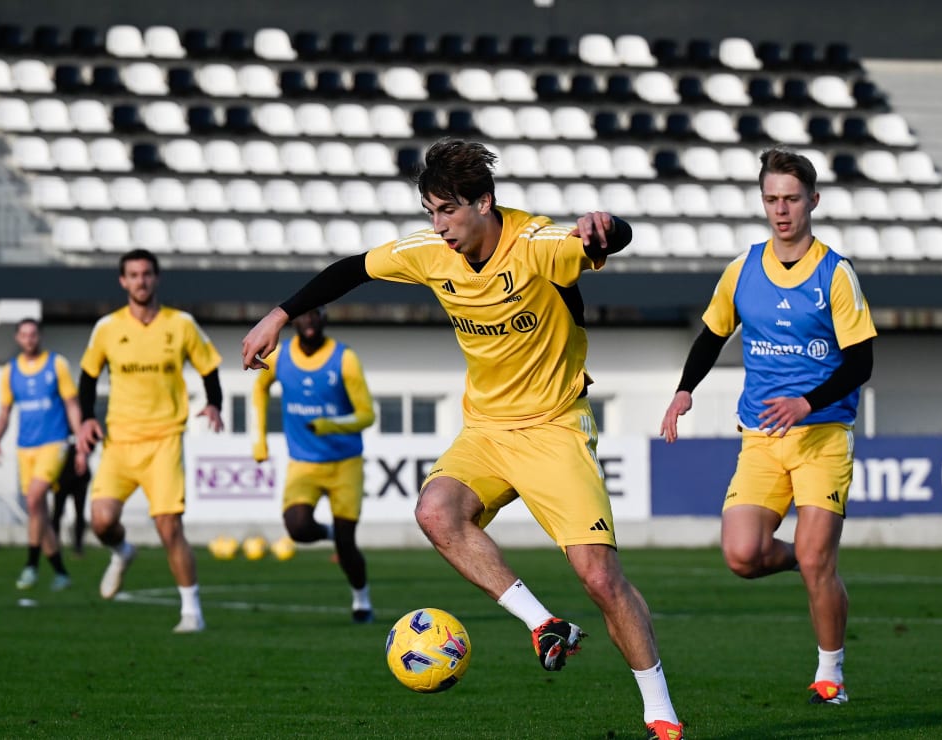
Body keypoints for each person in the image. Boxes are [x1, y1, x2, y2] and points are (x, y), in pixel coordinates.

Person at [242, 139, 682, 740]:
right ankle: (542, 623)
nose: (438, 225)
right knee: (435, 512)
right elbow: (352, 269)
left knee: (602, 580)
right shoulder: (430, 253)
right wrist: (279, 315)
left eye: (448, 210)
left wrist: (607, 227)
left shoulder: (535, 245)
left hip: (554, 427)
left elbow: (600, 241)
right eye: (430, 211)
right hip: (485, 430)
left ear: (484, 202)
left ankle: (661, 712)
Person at [659, 148, 876, 707]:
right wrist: (685, 390)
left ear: (813, 202)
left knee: (817, 558)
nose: (782, 210)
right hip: (760, 438)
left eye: (792, 199)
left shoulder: (834, 272)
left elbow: (861, 363)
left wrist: (807, 403)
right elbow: (712, 335)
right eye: (772, 199)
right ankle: (810, 560)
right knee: (741, 555)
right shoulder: (743, 268)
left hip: (823, 437)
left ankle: (831, 676)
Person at [75, 248, 225, 633]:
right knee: (102, 521)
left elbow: (208, 366)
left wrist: (215, 405)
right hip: (119, 441)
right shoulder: (107, 328)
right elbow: (89, 376)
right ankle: (122, 552)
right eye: (133, 275)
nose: (140, 281)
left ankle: (191, 611)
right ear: (123, 282)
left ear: (156, 279)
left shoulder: (181, 324)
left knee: (169, 527)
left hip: (164, 440)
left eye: (146, 274)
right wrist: (87, 419)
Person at [251, 305, 377, 623]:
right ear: (294, 321)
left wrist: (329, 424)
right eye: (304, 315)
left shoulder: (344, 358)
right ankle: (329, 532)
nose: (310, 321)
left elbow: (367, 414)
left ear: (324, 319)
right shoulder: (281, 357)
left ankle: (361, 598)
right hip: (303, 463)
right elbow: (259, 388)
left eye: (316, 314)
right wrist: (260, 441)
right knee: (298, 528)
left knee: (347, 546)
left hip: (344, 463)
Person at [0, 318, 84, 591]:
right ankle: (60, 572)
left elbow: (71, 404)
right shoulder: (10, 371)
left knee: (33, 500)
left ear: (40, 336)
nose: (29, 339)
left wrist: (79, 441)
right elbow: (5, 411)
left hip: (54, 443)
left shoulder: (57, 364)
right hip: (25, 447)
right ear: (18, 339)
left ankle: (31, 565)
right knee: (38, 510)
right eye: (24, 335)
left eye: (33, 334)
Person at [52, 441, 89, 556]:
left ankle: (78, 547)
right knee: (57, 513)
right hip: (61, 476)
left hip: (80, 476)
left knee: (79, 513)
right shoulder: (59, 430)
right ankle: (54, 546)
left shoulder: (83, 429)